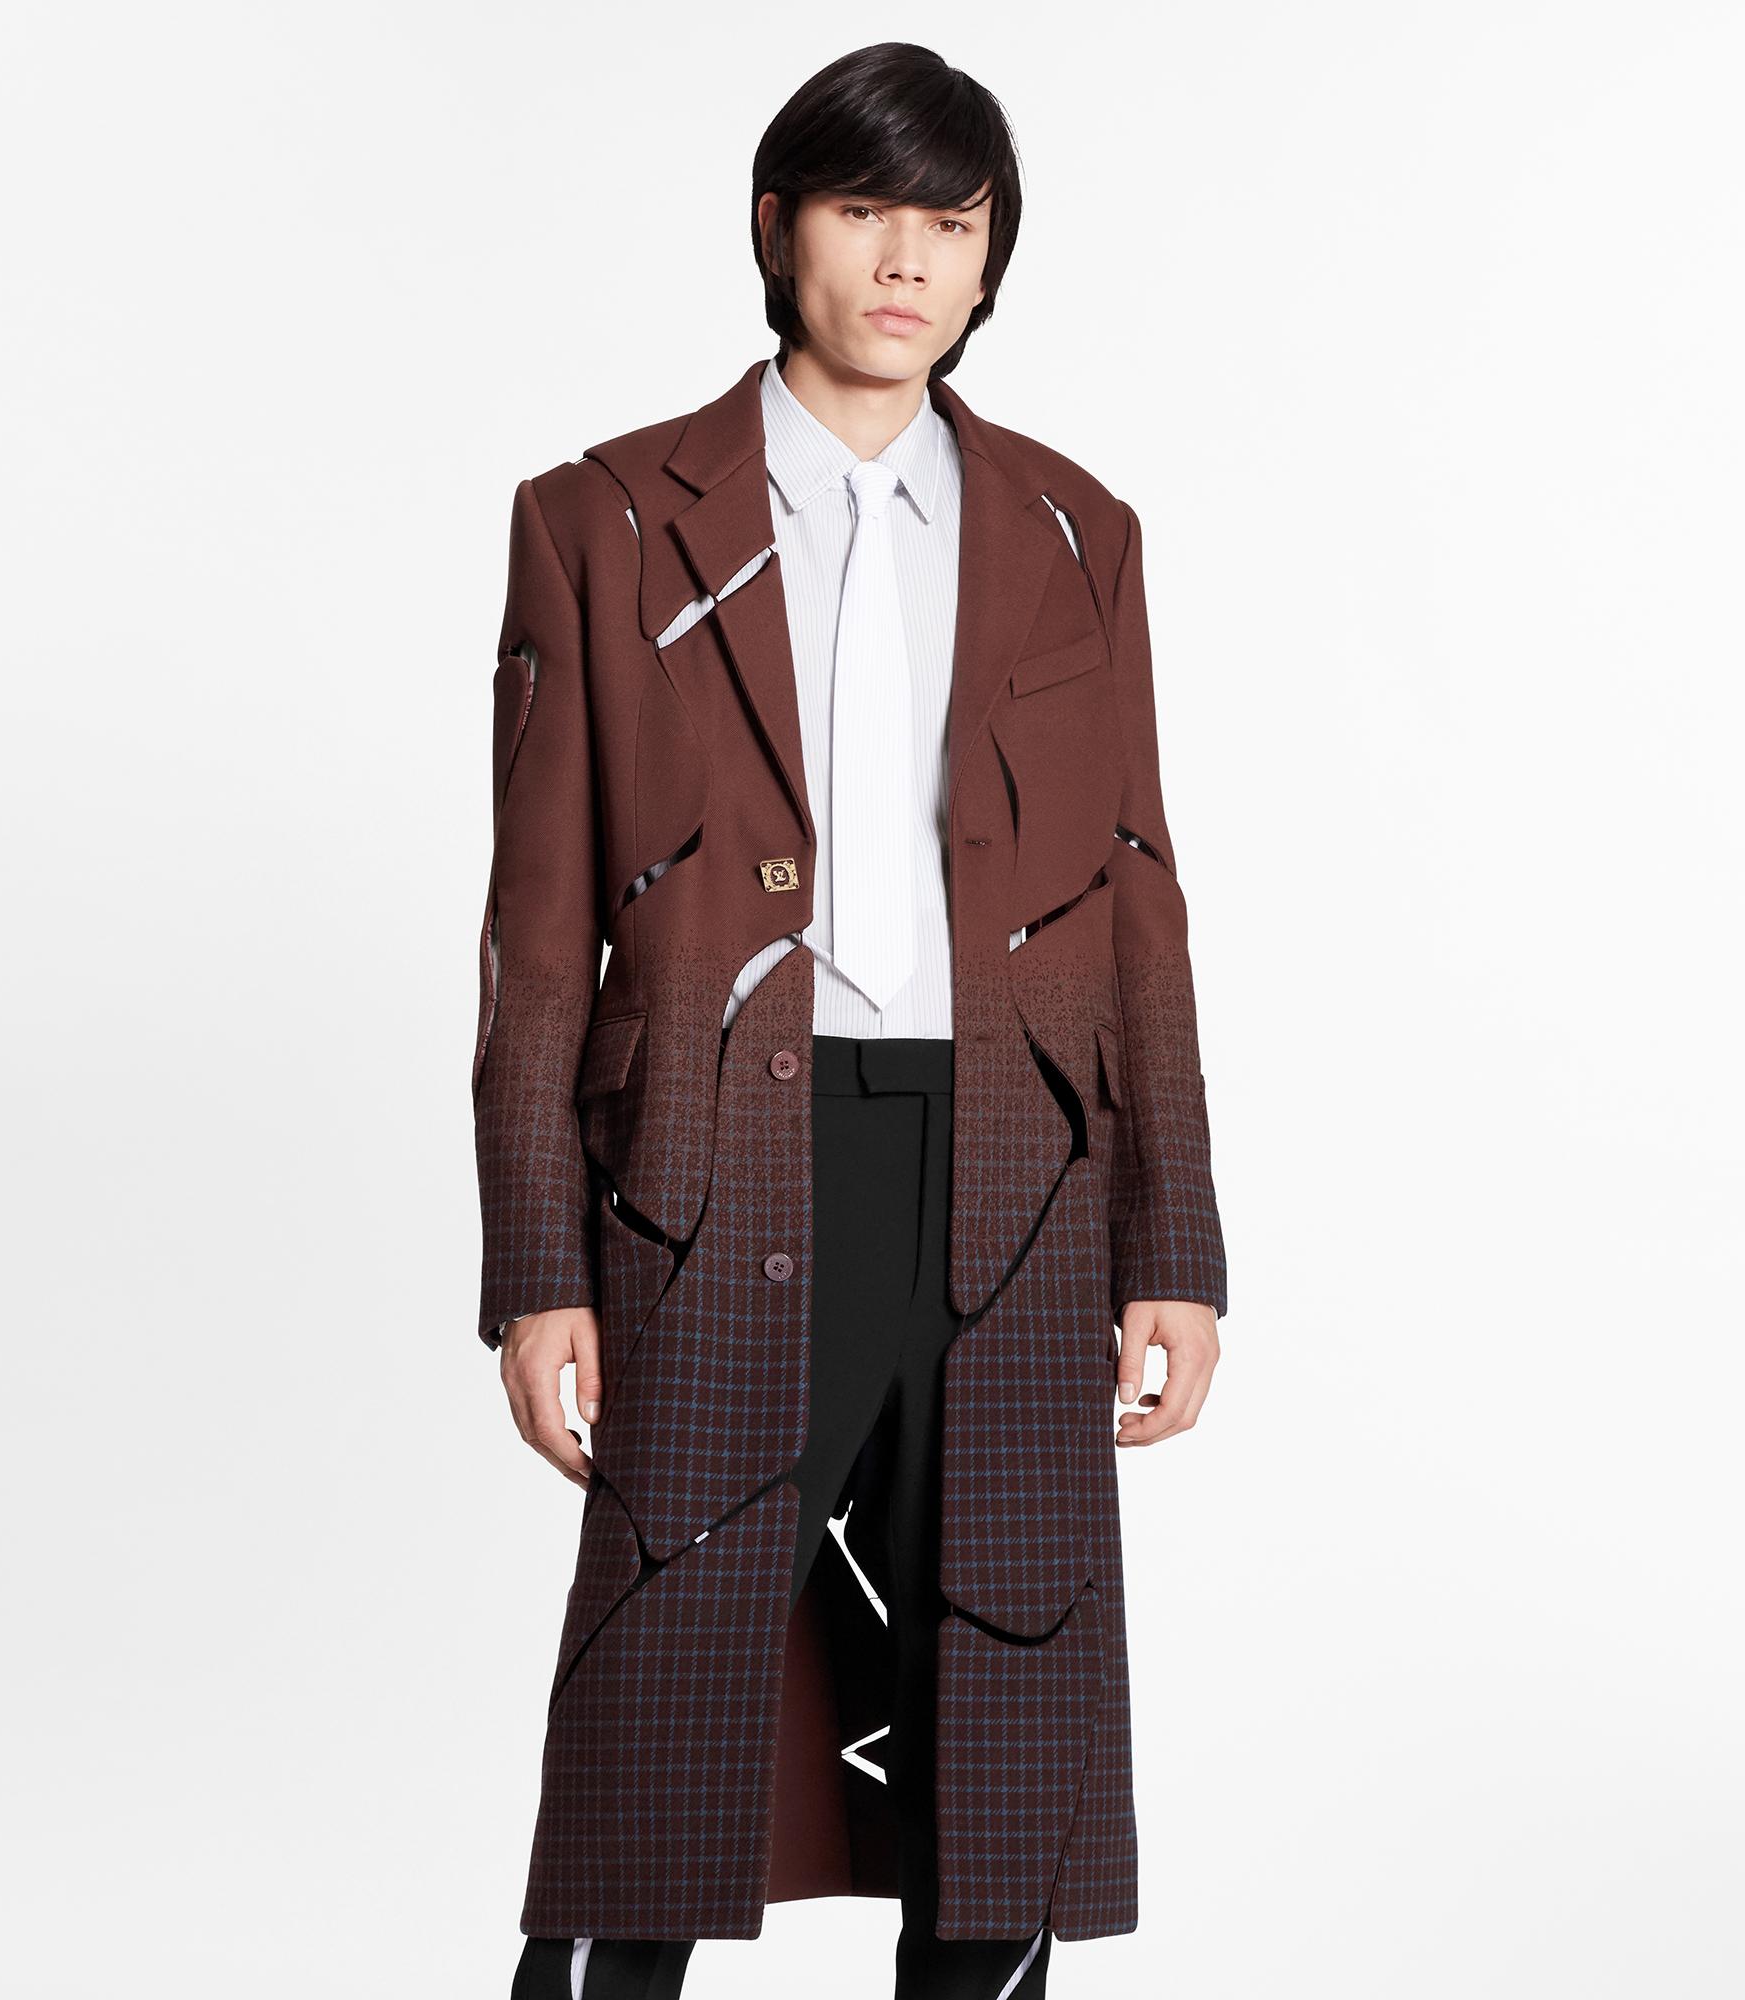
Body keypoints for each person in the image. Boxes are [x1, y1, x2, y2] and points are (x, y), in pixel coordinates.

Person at [474, 42, 1228, 2000]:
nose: (907, 261)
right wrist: (537, 1271)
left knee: (1001, 1718)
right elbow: (538, 934)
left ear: (988, 262)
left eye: (950, 225)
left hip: (1013, 1176)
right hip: (713, 1170)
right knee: (658, 1718)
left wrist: (1173, 1240)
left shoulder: (1077, 531)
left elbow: (1136, 894)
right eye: (865, 210)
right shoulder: (599, 519)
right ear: (776, 227)